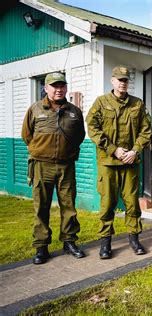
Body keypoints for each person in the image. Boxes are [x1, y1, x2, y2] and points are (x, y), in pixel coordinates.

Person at [86, 66, 151, 259]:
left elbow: (145, 130)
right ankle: (105, 243)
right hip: (108, 163)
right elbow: (92, 127)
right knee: (107, 203)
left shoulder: (137, 104)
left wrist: (135, 150)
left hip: (130, 162)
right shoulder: (101, 102)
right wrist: (114, 149)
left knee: (132, 203)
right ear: (112, 81)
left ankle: (134, 239)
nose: (122, 83)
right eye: (119, 79)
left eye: (125, 80)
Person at [21, 72, 86, 264]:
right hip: (42, 165)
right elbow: (26, 134)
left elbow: (80, 135)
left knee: (69, 206)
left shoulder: (74, 111)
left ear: (66, 88)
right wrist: (41, 150)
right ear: (46, 88)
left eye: (62, 86)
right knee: (41, 206)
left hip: (66, 166)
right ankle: (41, 247)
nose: (58, 89)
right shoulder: (35, 109)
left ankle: (69, 242)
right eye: (54, 86)